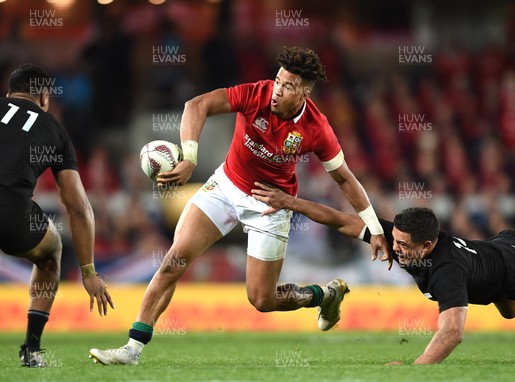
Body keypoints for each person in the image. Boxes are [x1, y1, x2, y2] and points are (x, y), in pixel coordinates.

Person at [89, 46, 390, 365]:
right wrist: (190, 156)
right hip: (226, 185)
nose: (277, 90)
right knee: (173, 261)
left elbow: (344, 179)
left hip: (270, 204)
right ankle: (132, 349)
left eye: (288, 86)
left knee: (262, 299)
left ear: (304, 92)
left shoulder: (317, 128)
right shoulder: (255, 94)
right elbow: (197, 104)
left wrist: (374, 228)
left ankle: (323, 295)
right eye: (278, 80)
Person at [249, 182, 515, 364]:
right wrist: (291, 202)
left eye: (403, 246)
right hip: (503, 253)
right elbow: (341, 219)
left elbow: (451, 334)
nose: (394, 249)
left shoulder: (446, 270)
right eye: (394, 239)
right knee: (509, 308)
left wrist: (414, 369)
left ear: (428, 246)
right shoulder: (401, 238)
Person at [0, 64, 114, 367]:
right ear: (45, 98)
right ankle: (31, 350)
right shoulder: (53, 129)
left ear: (8, 93)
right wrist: (88, 271)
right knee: (51, 252)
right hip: (10, 218)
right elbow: (77, 205)